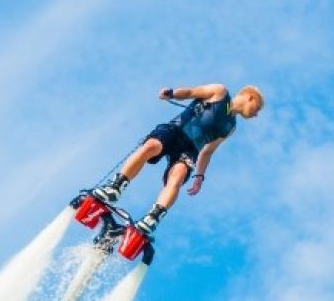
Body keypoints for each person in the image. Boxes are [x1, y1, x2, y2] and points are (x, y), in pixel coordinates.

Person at [92, 83, 263, 235]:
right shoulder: (220, 92)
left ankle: (153, 217)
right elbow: (190, 92)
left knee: (178, 176)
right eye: (258, 108)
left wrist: (199, 177)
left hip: (191, 149)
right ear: (250, 97)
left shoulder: (230, 127)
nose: (256, 115)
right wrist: (172, 93)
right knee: (152, 147)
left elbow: (208, 152)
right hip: (175, 130)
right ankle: (116, 187)